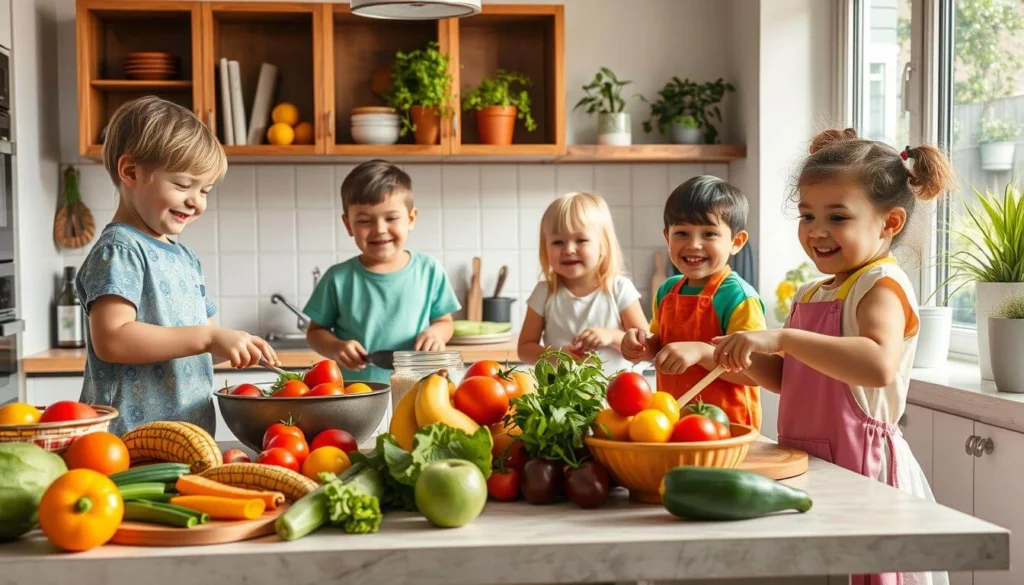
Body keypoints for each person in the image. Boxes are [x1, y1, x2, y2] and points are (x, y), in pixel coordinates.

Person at [712, 128, 953, 585]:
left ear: (890, 223)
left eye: (837, 217)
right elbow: (789, 377)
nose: (817, 231)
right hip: (811, 467)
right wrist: (714, 354)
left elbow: (878, 363)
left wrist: (781, 337)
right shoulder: (813, 290)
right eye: (807, 215)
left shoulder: (880, 284)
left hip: (865, 474)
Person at [76, 95, 278, 436]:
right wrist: (209, 337)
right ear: (130, 172)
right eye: (183, 185)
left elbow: (199, 349)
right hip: (130, 438)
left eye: (206, 190)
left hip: (188, 436)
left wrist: (233, 345)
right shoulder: (120, 249)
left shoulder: (185, 258)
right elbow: (112, 340)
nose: (196, 201)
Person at [621, 176, 765, 428]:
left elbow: (755, 373)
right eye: (682, 233)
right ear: (667, 238)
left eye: (709, 233)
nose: (694, 244)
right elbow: (659, 343)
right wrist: (643, 346)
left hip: (729, 427)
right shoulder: (667, 290)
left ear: (736, 242)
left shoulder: (739, 298)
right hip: (677, 422)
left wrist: (700, 352)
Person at [303, 159, 460, 384]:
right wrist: (337, 347)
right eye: (365, 220)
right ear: (348, 225)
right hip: (356, 393)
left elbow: (445, 322)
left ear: (411, 218)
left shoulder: (430, 270)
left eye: (391, 218)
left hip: (416, 389)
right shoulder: (337, 278)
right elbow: (315, 333)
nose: (379, 229)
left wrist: (436, 334)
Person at [518, 191, 648, 374]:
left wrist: (610, 336)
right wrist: (557, 354)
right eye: (557, 242)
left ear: (603, 245)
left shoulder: (619, 289)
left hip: (618, 397)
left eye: (581, 240)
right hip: (562, 398)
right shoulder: (544, 292)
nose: (569, 249)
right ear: (545, 247)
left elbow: (646, 346)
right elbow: (524, 350)